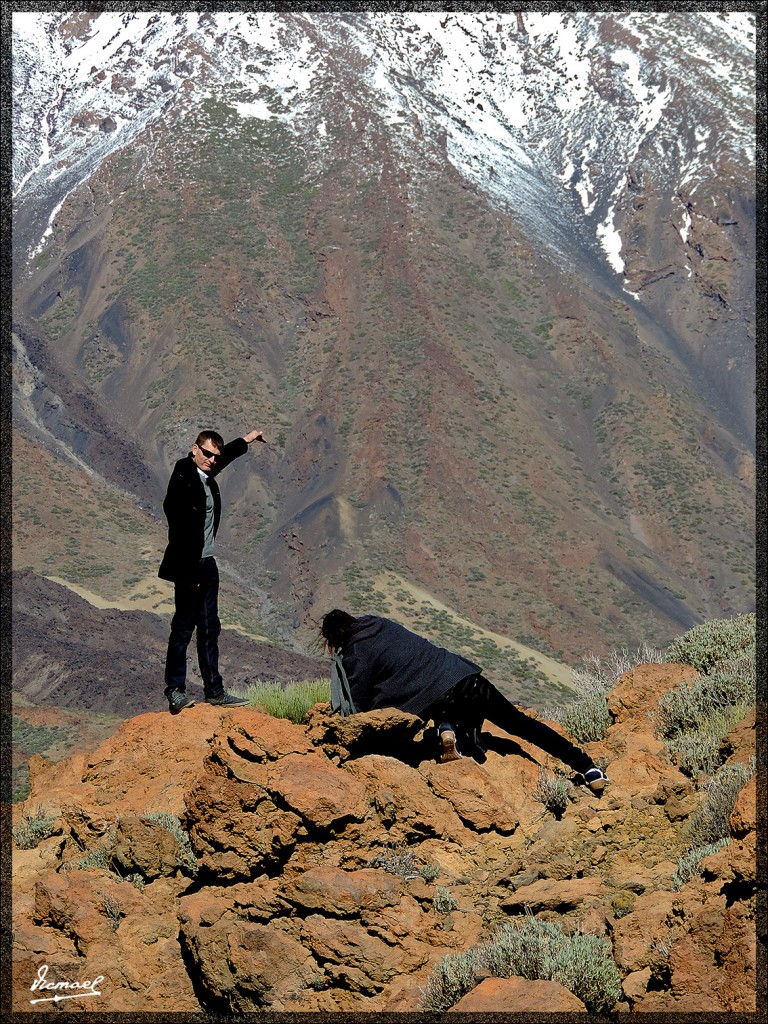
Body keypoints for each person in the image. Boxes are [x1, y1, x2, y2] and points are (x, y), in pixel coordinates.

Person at [319, 609, 610, 792]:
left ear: (334, 639)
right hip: (464, 678)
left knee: (425, 702)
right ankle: (587, 767)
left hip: (435, 700)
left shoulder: (356, 653)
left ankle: (447, 729)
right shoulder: (380, 624)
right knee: (520, 724)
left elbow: (361, 704)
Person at [159, 428, 265, 713]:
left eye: (215, 456)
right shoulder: (184, 474)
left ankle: (214, 691)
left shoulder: (205, 474)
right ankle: (175, 691)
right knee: (183, 627)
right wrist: (189, 571)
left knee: (209, 628)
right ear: (194, 449)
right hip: (189, 566)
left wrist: (247, 439)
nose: (212, 460)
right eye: (206, 453)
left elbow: (224, 457)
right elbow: (175, 521)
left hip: (208, 564)